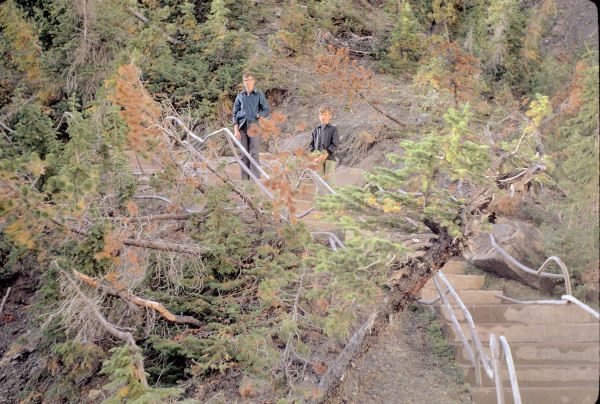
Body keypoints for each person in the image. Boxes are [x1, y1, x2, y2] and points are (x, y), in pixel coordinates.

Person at [232, 73, 270, 180]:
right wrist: (236, 130)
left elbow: (266, 110)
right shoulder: (240, 95)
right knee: (244, 154)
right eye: (245, 80)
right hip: (242, 128)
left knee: (254, 153)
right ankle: (245, 181)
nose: (247, 82)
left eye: (249, 80)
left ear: (253, 81)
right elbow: (235, 113)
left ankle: (255, 179)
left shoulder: (259, 94)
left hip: (254, 127)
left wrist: (258, 115)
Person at [309, 105, 339, 189]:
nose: (323, 117)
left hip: (329, 158)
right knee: (319, 183)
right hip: (318, 159)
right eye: (321, 114)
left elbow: (335, 144)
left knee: (330, 182)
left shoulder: (333, 129)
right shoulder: (315, 130)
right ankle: (319, 201)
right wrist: (314, 156)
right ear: (319, 116)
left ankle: (331, 201)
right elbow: (311, 146)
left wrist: (326, 154)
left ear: (330, 116)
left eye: (326, 114)